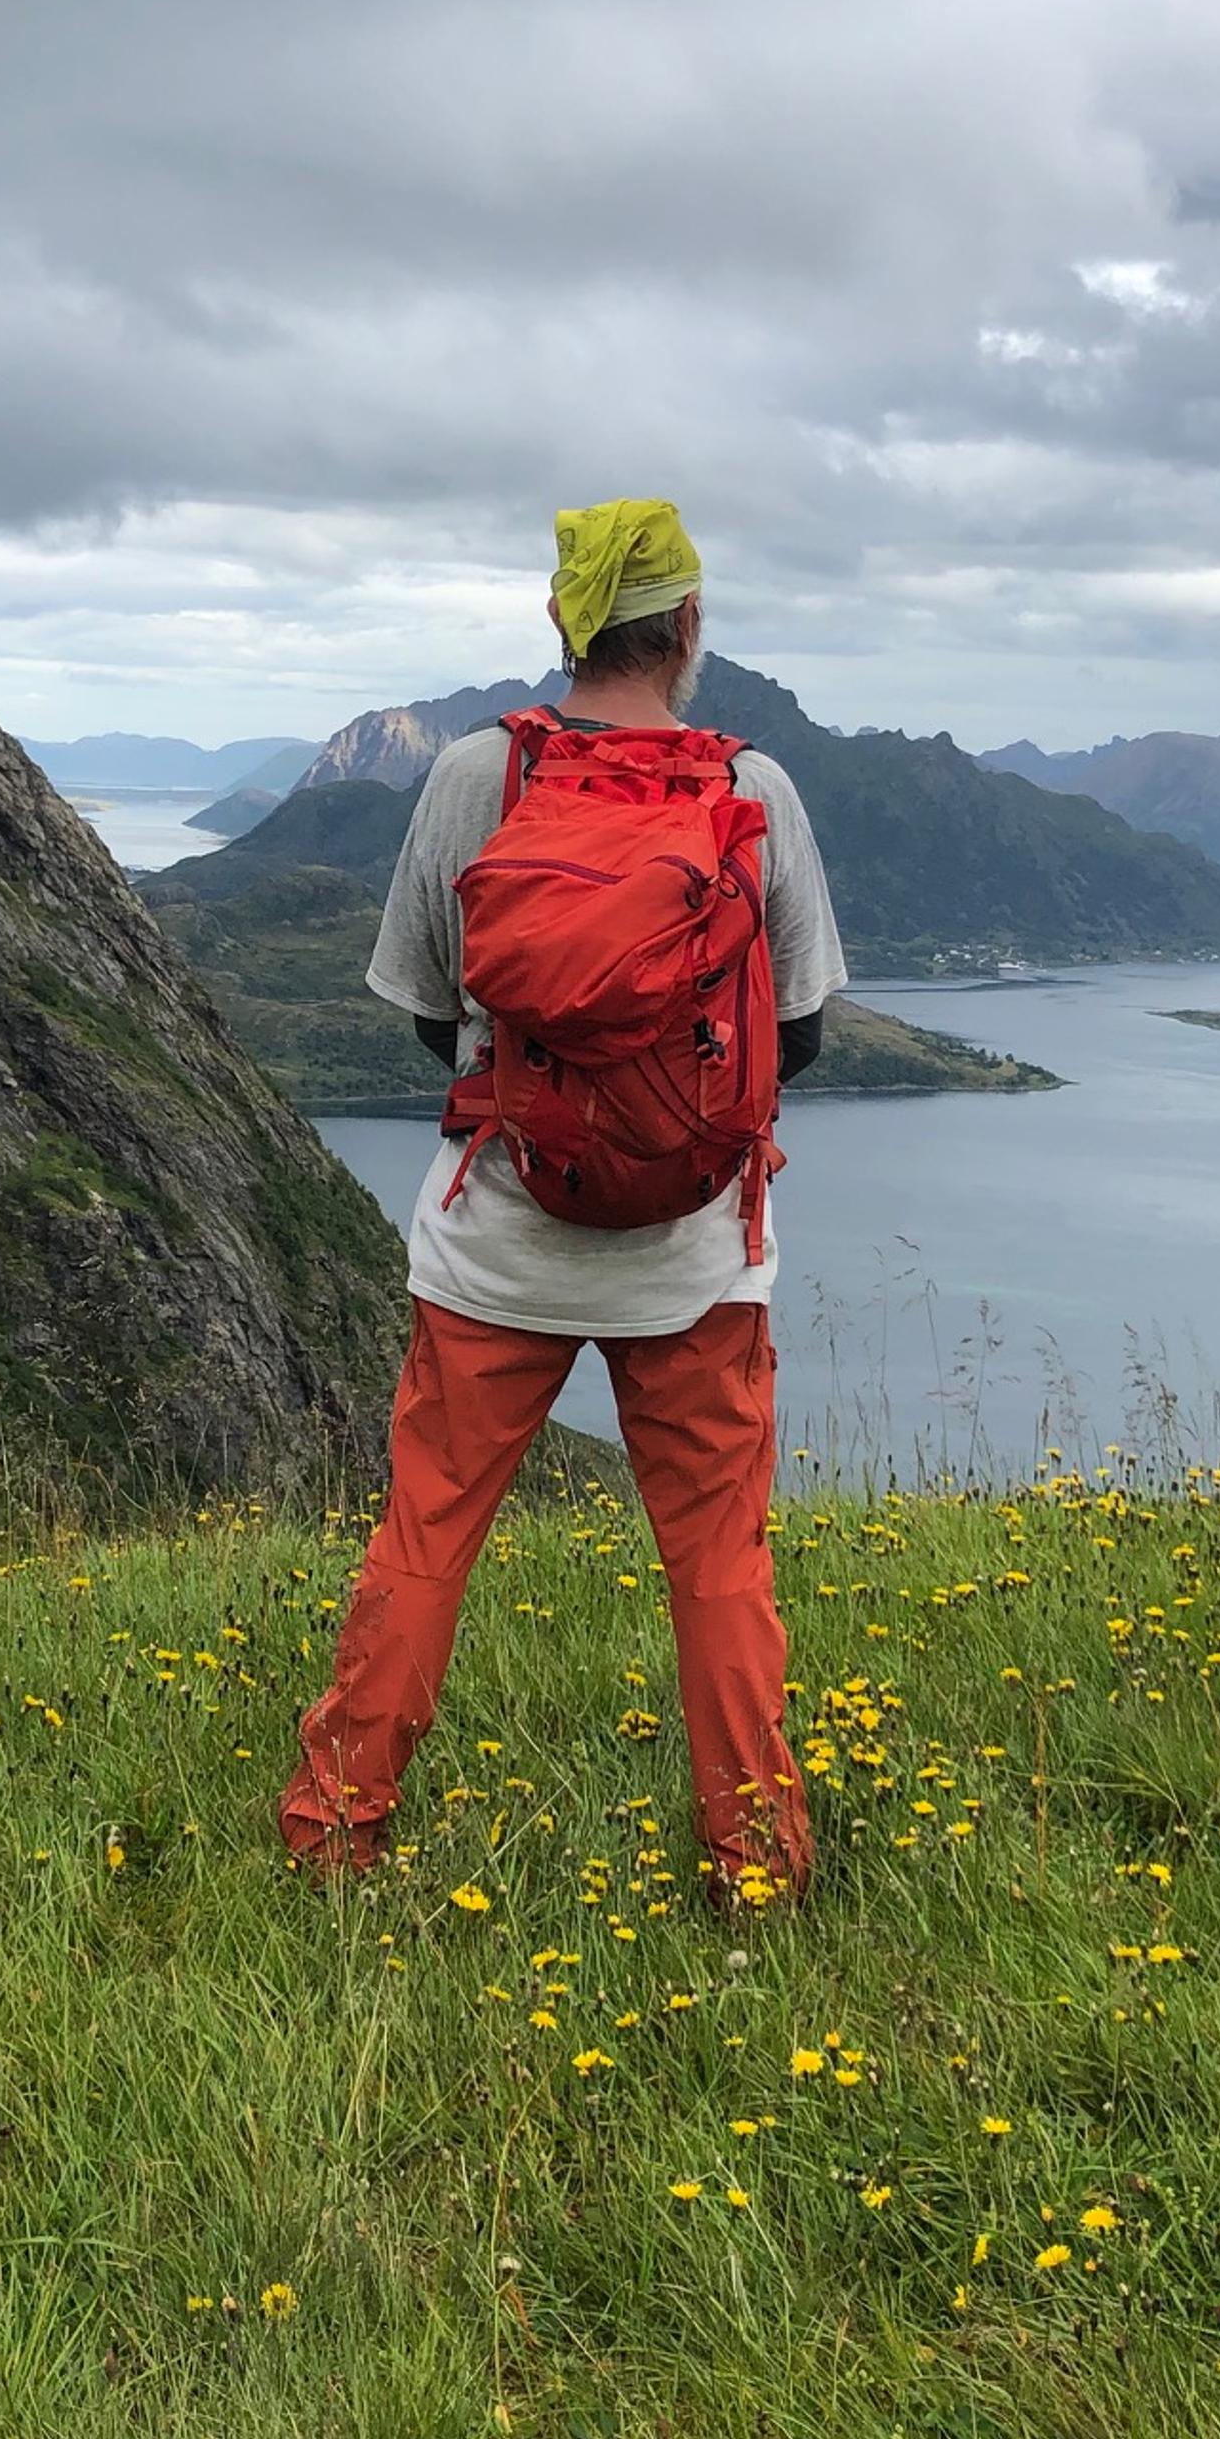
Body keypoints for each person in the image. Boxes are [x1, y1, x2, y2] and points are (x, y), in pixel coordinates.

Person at [280, 503, 846, 1903]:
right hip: (696, 1260)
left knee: (426, 1540)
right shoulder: (754, 792)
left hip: (498, 1242)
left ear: (563, 625)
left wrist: (546, 1099)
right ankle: (754, 1866)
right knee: (717, 1567)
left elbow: (425, 1008)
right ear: (690, 631)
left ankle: (337, 1835)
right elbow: (807, 1028)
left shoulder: (479, 774)